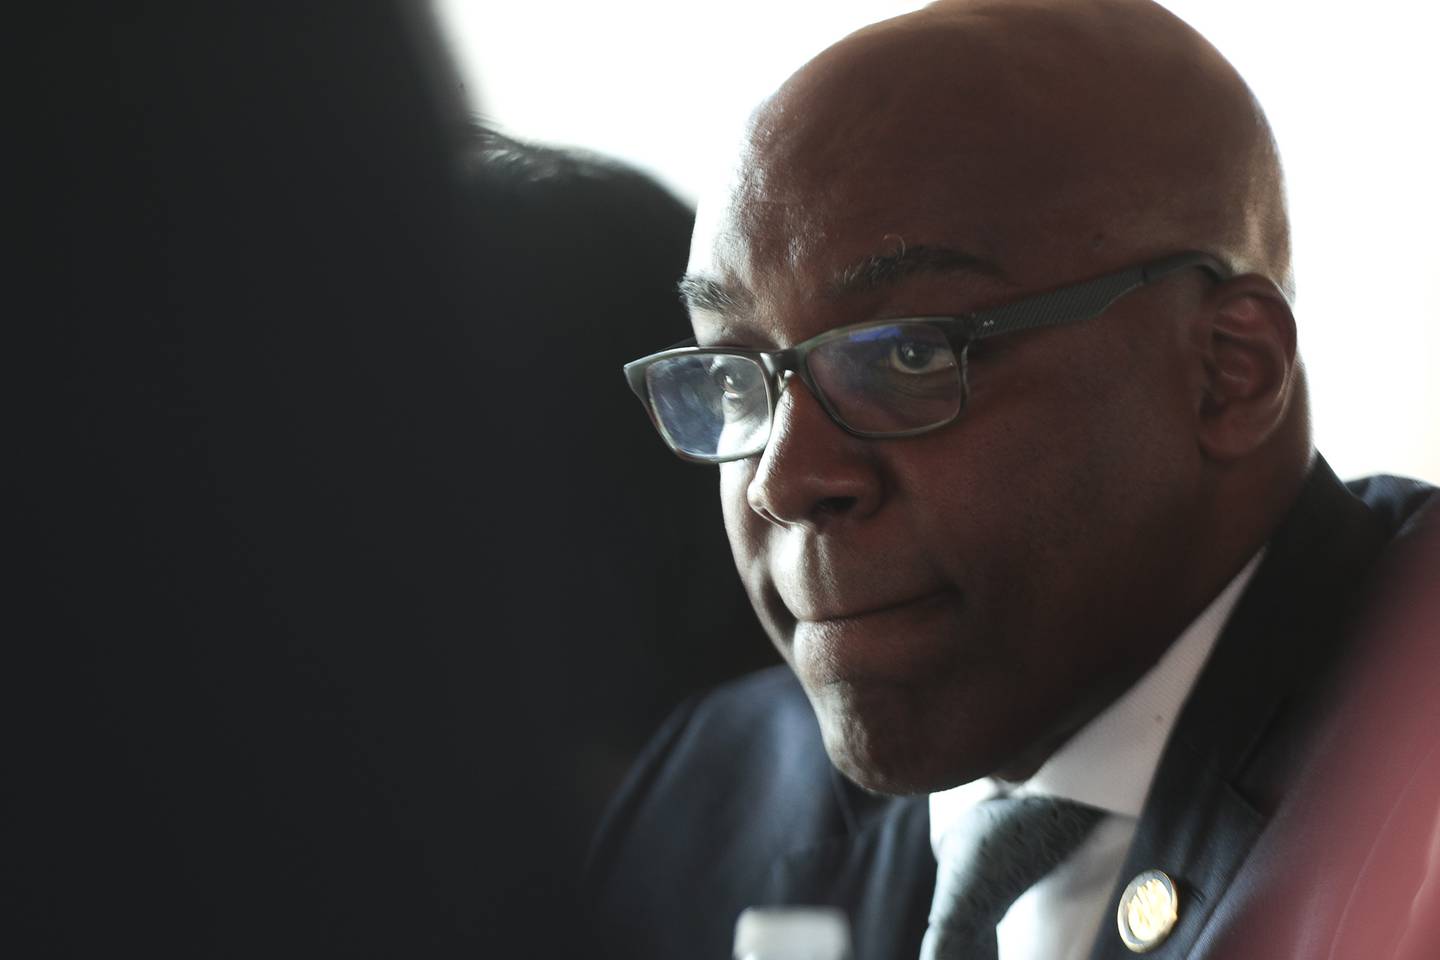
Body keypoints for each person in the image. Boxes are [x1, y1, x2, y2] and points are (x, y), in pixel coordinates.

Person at [585, 1, 1438, 958]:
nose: (785, 482)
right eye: (732, 372)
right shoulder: (718, 796)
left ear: (1227, 372)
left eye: (909, 355)